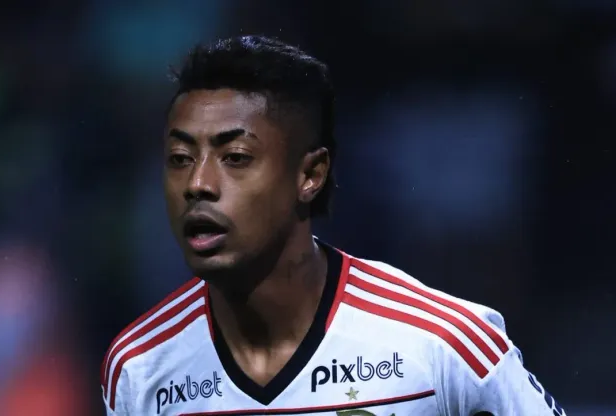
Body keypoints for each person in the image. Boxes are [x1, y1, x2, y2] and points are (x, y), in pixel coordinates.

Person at [101, 35, 565, 416]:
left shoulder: (445, 346)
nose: (197, 184)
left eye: (235, 158)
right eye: (179, 159)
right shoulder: (140, 368)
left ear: (310, 175)